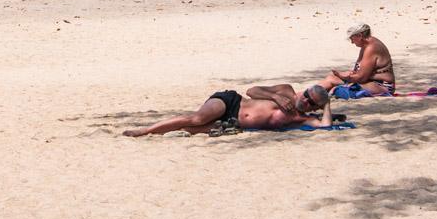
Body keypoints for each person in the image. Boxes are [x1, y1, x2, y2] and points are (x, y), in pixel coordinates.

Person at [123, 83, 331, 137]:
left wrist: (327, 104)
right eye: (306, 96)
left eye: (311, 103)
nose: (305, 102)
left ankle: (159, 131)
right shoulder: (286, 91)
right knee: (196, 119)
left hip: (234, 123)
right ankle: (145, 130)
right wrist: (275, 96)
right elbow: (251, 90)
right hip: (232, 102)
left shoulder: (302, 120)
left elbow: (325, 126)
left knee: (192, 129)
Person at [320, 23, 396, 95]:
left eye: (352, 38)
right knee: (330, 79)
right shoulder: (365, 44)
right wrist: (349, 73)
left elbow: (361, 78)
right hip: (368, 81)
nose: (352, 42)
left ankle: (314, 96)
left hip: (381, 85)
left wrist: (342, 76)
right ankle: (309, 94)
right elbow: (359, 72)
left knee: (340, 90)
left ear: (359, 36)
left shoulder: (371, 48)